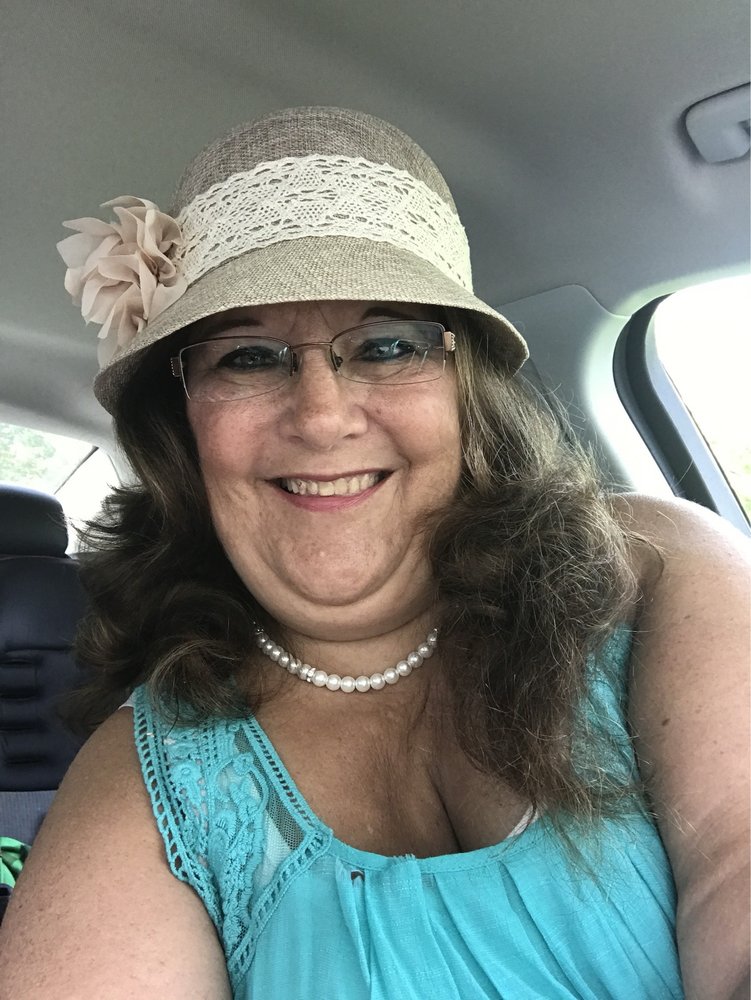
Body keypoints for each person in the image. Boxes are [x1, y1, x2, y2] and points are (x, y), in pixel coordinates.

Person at [0, 106, 748, 1000]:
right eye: (247, 358)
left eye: (387, 345)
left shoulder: (652, 566)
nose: (321, 417)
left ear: (466, 389)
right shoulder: (140, 776)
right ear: (184, 424)